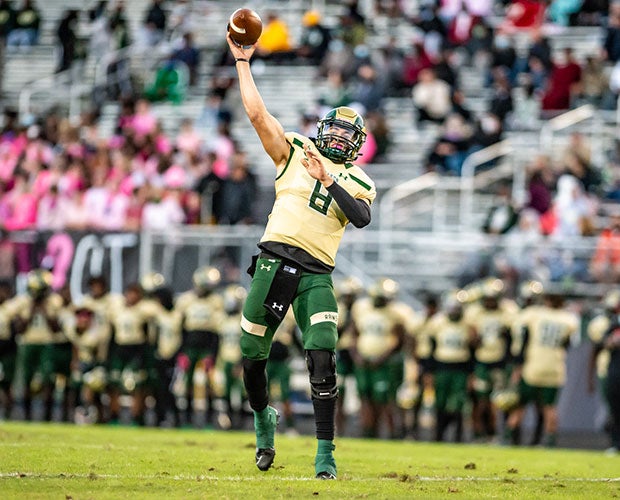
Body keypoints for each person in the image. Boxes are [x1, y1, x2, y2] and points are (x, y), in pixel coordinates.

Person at [226, 33, 376, 479]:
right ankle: (262, 421)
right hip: (273, 261)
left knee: (323, 351)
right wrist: (242, 62)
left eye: (345, 133)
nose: (335, 136)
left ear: (356, 143)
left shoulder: (358, 179)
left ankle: (325, 453)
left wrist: (328, 179)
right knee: (251, 353)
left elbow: (361, 217)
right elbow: (256, 114)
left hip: (316, 272)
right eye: (332, 127)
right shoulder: (293, 151)